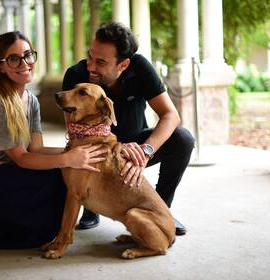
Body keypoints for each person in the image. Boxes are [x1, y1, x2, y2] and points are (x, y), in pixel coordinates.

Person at [0, 31, 106, 253]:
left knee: (46, 228)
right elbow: (22, 159)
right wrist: (67, 158)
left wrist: (79, 152)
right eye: (14, 59)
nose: (24, 63)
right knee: (52, 176)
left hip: (0, 174)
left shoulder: (30, 99)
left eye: (28, 55)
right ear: (1, 66)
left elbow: (37, 148)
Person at [62, 22, 195, 236]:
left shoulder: (140, 67)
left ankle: (160, 211)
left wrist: (146, 151)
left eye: (101, 62)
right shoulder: (76, 76)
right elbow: (74, 129)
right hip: (96, 145)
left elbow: (171, 115)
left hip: (136, 144)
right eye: (90, 57)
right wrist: (116, 147)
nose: (91, 67)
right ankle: (91, 205)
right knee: (80, 153)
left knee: (183, 139)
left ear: (123, 65)